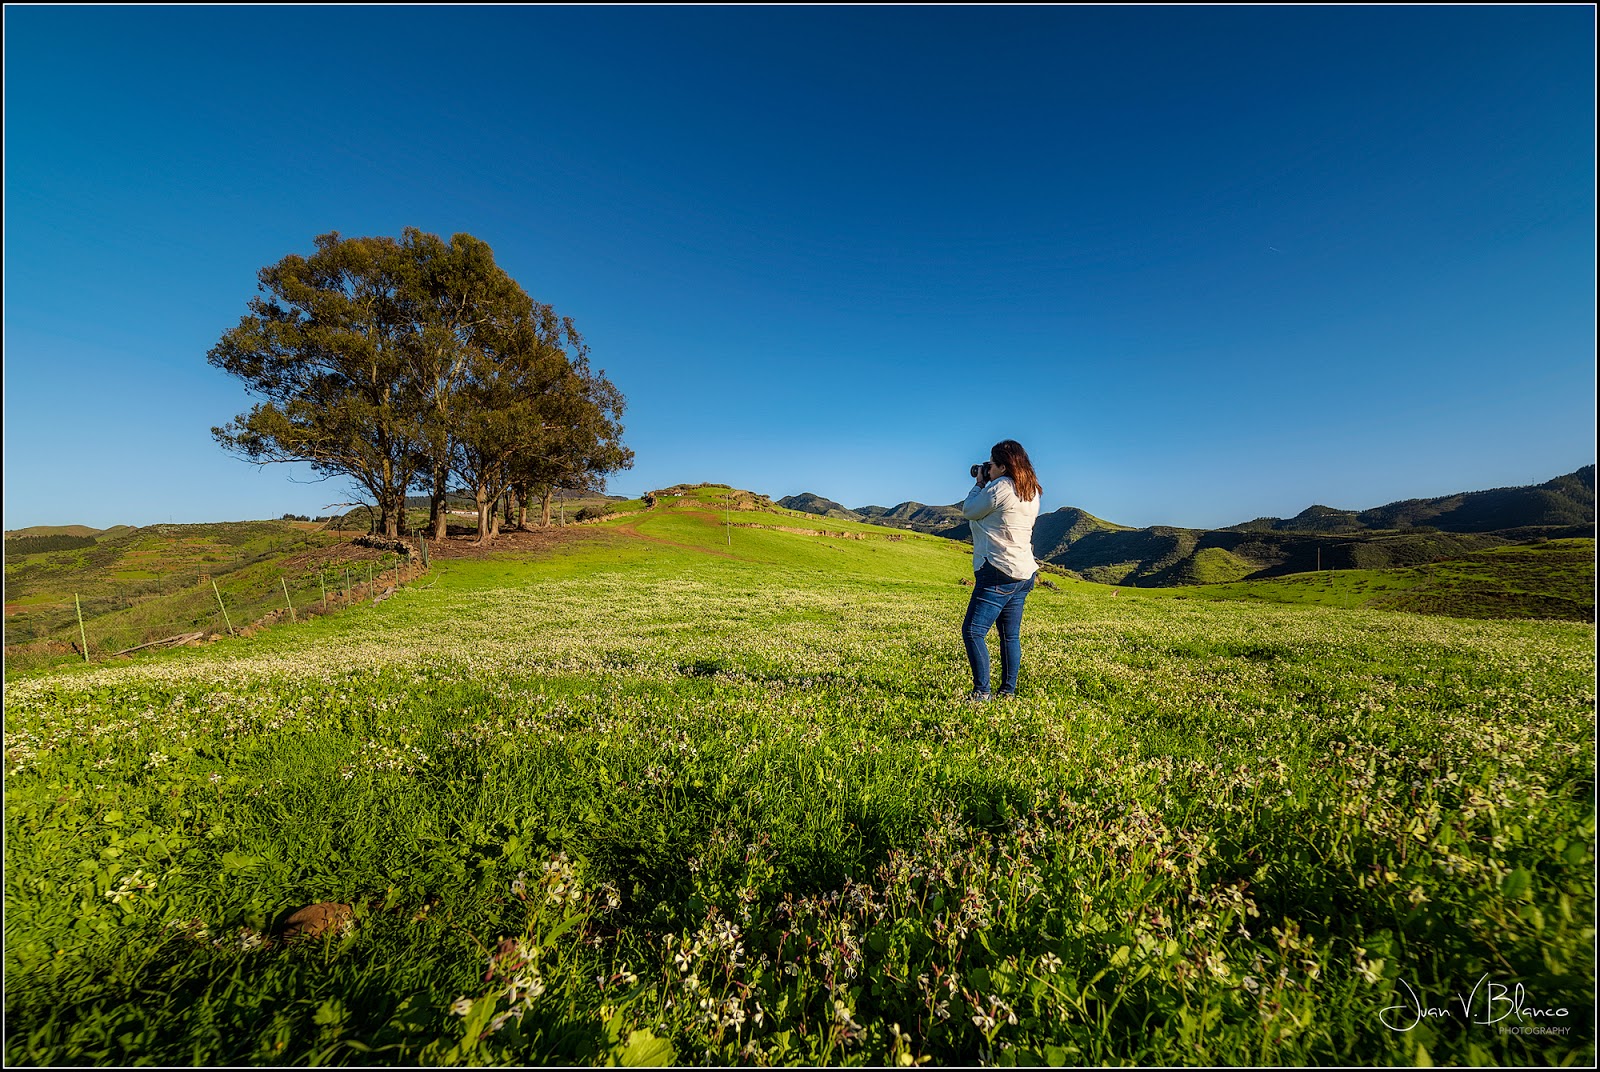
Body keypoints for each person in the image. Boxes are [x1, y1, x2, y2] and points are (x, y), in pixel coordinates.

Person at [959, 440, 1042, 700]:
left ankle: (982, 692)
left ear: (1004, 467)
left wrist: (979, 484)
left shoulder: (1001, 486)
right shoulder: (1031, 490)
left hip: (997, 569)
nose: (989, 469)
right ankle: (1008, 692)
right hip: (1024, 571)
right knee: (1009, 636)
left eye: (992, 465)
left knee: (973, 631)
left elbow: (969, 510)